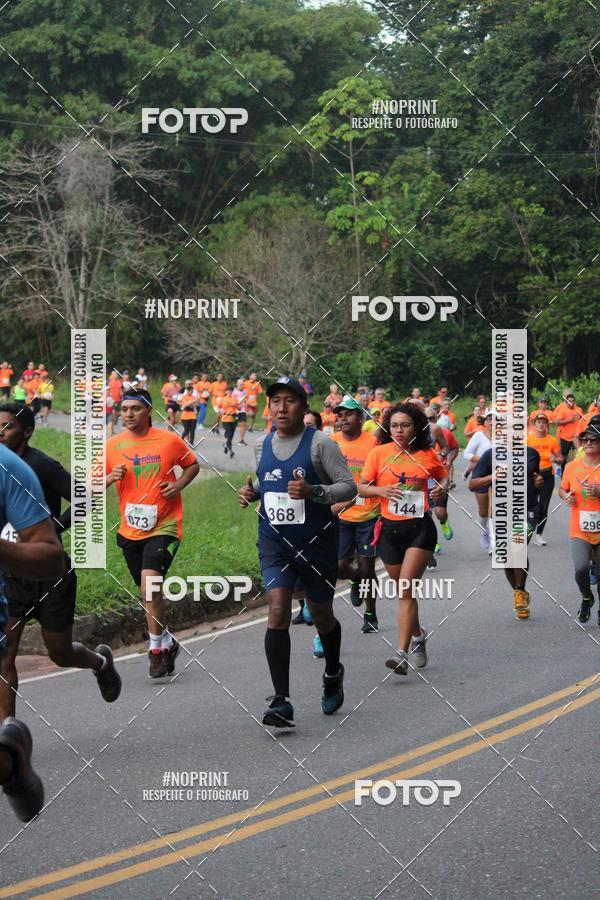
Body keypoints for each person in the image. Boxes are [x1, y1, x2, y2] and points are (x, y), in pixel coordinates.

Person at [238, 377, 355, 727]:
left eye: (290, 401)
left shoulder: (321, 445)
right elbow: (268, 480)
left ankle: (333, 671)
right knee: (277, 609)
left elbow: (348, 487)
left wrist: (315, 492)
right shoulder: (261, 445)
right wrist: (252, 493)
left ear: (304, 408)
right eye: (275, 401)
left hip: (317, 544)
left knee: (321, 615)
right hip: (275, 544)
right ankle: (281, 700)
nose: (281, 407)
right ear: (268, 408)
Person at [0, 403, 121, 725]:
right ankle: (8, 738)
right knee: (5, 653)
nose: (1, 432)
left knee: (60, 652)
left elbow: (85, 499)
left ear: (26, 431)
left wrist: (56, 527)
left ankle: (99, 663)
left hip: (49, 573)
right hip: (10, 575)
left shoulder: (40, 466)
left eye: (8, 426)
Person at [106, 388, 199, 678]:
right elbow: (92, 485)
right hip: (130, 529)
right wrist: (110, 477)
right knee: (148, 594)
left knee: (150, 588)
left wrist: (179, 485)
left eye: (135, 409)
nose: (129, 414)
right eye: (124, 409)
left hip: (165, 525)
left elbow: (192, 464)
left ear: (148, 411)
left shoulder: (169, 440)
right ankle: (168, 641)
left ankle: (156, 649)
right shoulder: (112, 445)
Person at [0, 440, 66, 821]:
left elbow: (50, 558)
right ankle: (9, 759)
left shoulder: (10, 468)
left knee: (60, 650)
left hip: (22, 589)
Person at [359, 403, 448, 675]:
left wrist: (440, 492)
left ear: (415, 428)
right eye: (395, 425)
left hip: (419, 529)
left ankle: (400, 653)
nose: (399, 430)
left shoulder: (426, 454)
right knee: (404, 593)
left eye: (405, 425)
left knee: (406, 589)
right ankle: (419, 634)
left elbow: (444, 478)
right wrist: (382, 491)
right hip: (389, 531)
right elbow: (361, 487)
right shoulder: (379, 453)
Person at [470, 441, 543, 620]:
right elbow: (473, 484)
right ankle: (520, 593)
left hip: (528, 509)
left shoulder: (532, 453)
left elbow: (536, 478)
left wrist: (538, 482)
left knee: (517, 547)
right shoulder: (490, 455)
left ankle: (519, 591)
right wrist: (492, 477)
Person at [329, 396, 380, 636]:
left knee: (367, 567)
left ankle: (370, 614)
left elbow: (379, 478)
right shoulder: (331, 442)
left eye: (348, 414)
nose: (342, 418)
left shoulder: (374, 443)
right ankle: (354, 579)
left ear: (360, 417)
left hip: (369, 514)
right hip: (340, 516)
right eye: (339, 415)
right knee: (339, 567)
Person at [558, 415, 600, 624]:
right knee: (581, 568)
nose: (589, 442)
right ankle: (586, 596)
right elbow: (562, 489)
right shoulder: (572, 467)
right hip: (580, 528)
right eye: (586, 440)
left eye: (594, 439)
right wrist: (564, 495)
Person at [526, 412, 563, 546]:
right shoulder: (528, 440)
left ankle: (539, 535)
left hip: (547, 475)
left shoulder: (552, 440)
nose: (541, 424)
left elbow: (560, 458)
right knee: (528, 504)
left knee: (543, 506)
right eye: (539, 422)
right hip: (531, 475)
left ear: (547, 425)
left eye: (544, 422)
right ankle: (524, 530)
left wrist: (556, 460)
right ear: (535, 424)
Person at [463, 411, 494, 550]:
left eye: (496, 419)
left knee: (494, 509)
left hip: (499, 475)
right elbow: (467, 454)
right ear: (485, 422)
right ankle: (484, 531)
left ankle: (494, 542)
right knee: (483, 511)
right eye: (489, 419)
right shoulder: (479, 435)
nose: (493, 422)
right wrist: (483, 459)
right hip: (481, 473)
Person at [554, 390, 584, 463]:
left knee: (578, 454)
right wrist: (568, 420)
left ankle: (575, 470)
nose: (571, 402)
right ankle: (562, 471)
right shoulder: (561, 408)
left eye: (573, 400)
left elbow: (583, 421)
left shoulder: (579, 409)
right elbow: (556, 421)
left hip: (576, 436)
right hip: (565, 436)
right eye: (569, 400)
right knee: (564, 455)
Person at [220, 386, 240, 457]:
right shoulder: (223, 399)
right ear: (226, 392)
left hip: (233, 419)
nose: (230, 392)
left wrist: (235, 405)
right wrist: (221, 410)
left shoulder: (235, 399)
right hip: (225, 419)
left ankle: (225, 445)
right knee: (229, 434)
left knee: (230, 437)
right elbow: (219, 407)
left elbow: (239, 408)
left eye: (231, 391)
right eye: (228, 391)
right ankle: (231, 451)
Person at [179, 381, 199, 446]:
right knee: (187, 430)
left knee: (192, 430)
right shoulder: (184, 397)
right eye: (189, 390)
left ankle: (191, 443)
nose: (191, 392)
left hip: (193, 415)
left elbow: (196, 404)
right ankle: (181, 440)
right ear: (187, 391)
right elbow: (185, 404)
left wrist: (191, 403)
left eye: (192, 391)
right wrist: (192, 402)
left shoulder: (194, 396)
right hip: (185, 416)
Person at [233, 378, 248, 445]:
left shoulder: (245, 392)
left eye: (242, 384)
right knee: (232, 426)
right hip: (235, 411)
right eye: (240, 384)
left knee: (243, 425)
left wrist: (246, 405)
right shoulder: (234, 392)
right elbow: (232, 402)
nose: (241, 386)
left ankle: (241, 440)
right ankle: (229, 439)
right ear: (237, 384)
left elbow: (245, 400)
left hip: (242, 411)